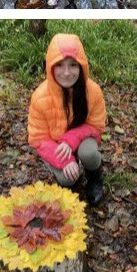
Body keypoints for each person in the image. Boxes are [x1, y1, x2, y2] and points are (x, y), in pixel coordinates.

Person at [28, 33, 106, 206]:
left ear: (81, 66)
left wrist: (70, 141)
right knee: (66, 178)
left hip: (82, 139)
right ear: (50, 67)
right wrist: (66, 160)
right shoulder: (39, 97)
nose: (67, 73)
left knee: (89, 153)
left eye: (73, 65)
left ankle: (95, 178)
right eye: (59, 65)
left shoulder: (93, 91)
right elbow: (38, 139)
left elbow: (97, 126)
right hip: (54, 146)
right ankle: (73, 181)